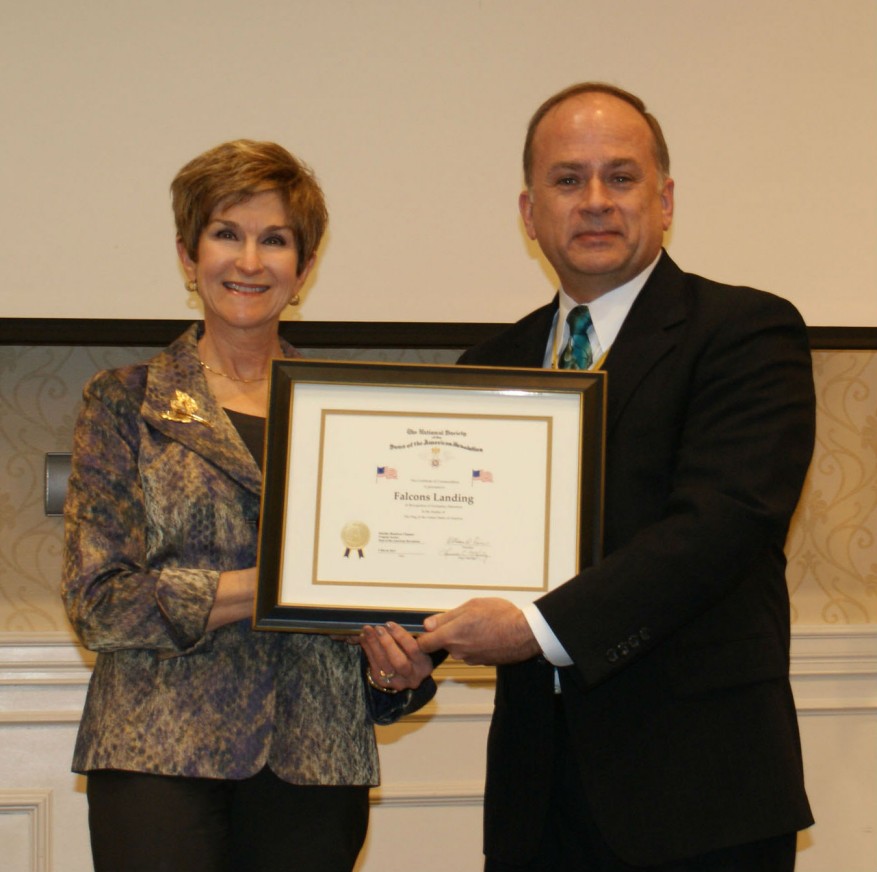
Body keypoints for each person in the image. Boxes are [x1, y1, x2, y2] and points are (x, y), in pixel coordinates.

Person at [417, 83, 816, 871]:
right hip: (537, 795)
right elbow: (449, 557)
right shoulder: (487, 367)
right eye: (567, 180)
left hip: (699, 795)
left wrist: (533, 629)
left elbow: (720, 523)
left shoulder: (745, 332)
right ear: (529, 213)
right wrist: (408, 647)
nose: (594, 201)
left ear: (664, 201)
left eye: (620, 177)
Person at [61, 139, 434, 872]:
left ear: (305, 266)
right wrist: (273, 589)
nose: (249, 261)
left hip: (316, 758)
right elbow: (101, 603)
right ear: (187, 252)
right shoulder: (121, 400)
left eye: (275, 240)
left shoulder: (358, 414)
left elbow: (388, 588)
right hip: (155, 752)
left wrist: (398, 666)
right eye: (226, 234)